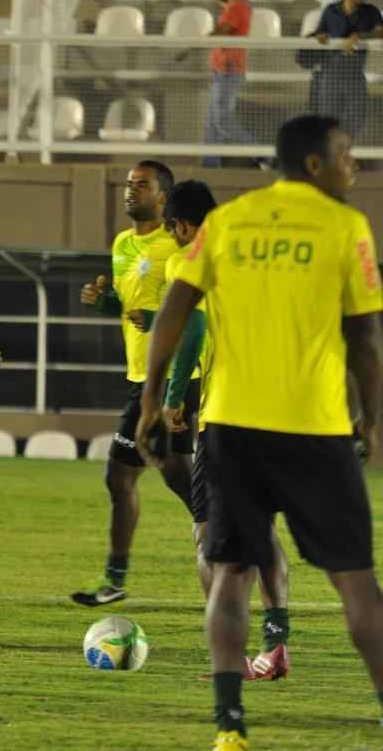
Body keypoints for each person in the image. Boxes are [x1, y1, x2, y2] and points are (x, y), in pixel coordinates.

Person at [136, 114, 383, 748]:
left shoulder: (227, 223)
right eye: (346, 156)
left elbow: (173, 310)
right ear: (313, 164)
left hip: (231, 428)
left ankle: (229, 727)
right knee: (355, 581)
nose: (353, 167)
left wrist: (150, 402)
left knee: (230, 572)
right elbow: (365, 336)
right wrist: (372, 419)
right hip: (314, 428)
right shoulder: (345, 226)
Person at [158, 179, 292, 680]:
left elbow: (192, 329)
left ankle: (231, 659)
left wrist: (173, 398)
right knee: (263, 530)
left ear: (181, 226)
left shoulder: (193, 258)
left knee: (207, 538)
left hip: (229, 416)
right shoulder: (258, 256)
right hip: (283, 414)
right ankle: (276, 645)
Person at [69, 160, 199, 607]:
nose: (130, 191)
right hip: (141, 378)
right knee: (132, 477)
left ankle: (232, 541)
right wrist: (104, 302)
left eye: (141, 185)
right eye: (128, 184)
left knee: (165, 475)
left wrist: (159, 319)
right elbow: (128, 308)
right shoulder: (123, 244)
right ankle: (116, 578)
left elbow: (195, 313)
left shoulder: (178, 244)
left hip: (176, 379)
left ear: (164, 196)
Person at [312, 0, 383, 140]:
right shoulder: (330, 11)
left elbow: (381, 32)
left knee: (354, 122)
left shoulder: (371, 12)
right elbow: (319, 32)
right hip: (330, 76)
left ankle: (345, 152)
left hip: (355, 76)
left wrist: (359, 36)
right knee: (328, 124)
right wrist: (320, 35)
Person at [202, 0, 255, 169]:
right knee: (211, 123)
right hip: (220, 71)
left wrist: (191, 46)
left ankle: (264, 156)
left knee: (222, 121)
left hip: (229, 70)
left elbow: (221, 32)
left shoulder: (237, 7)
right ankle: (209, 166)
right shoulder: (230, 9)